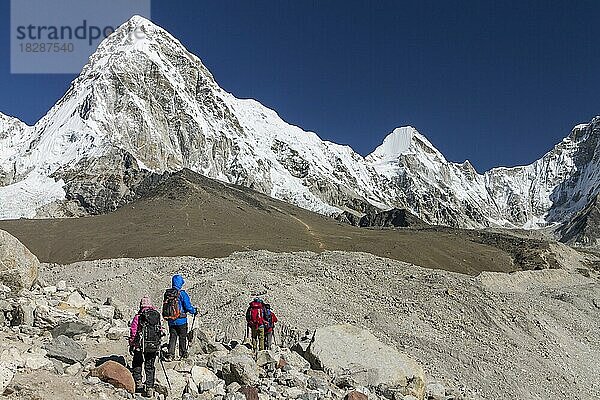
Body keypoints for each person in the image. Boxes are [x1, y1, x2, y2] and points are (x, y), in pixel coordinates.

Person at [129, 295, 162, 398]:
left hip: (140, 345)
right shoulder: (156, 316)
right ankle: (150, 388)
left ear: (141, 305)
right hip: (152, 345)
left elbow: (133, 332)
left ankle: (138, 383)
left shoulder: (138, 317)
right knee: (150, 367)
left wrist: (132, 344)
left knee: (137, 363)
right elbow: (159, 330)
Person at [162, 274, 197, 360]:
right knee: (182, 337)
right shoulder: (182, 294)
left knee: (172, 337)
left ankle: (170, 354)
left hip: (171, 320)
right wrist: (194, 311)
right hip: (181, 320)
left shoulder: (168, 294)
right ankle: (183, 354)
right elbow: (188, 306)